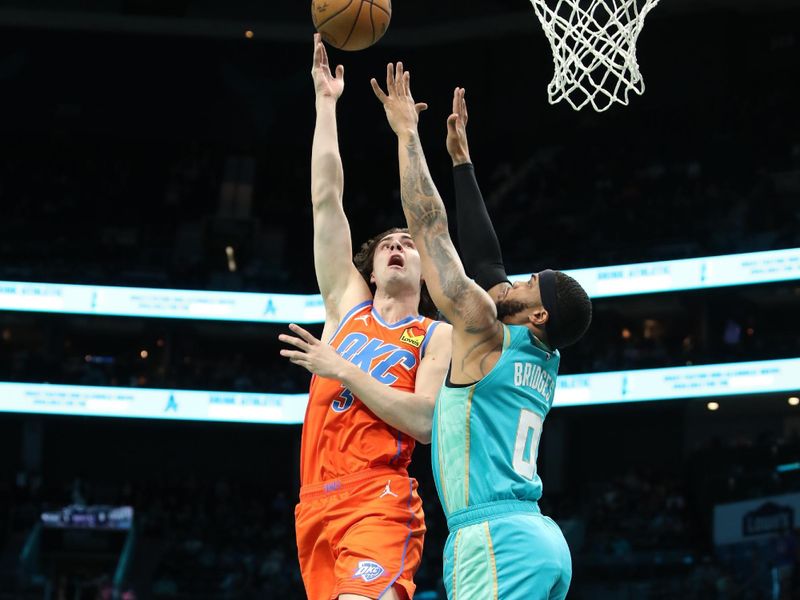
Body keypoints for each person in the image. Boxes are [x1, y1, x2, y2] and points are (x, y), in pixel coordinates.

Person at [371, 65, 592, 599]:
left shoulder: (485, 332)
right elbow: (489, 266)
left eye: (531, 282)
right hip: (538, 537)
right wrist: (462, 160)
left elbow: (431, 232)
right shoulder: (539, 352)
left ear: (536, 314)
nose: (518, 278)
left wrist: (406, 135)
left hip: (493, 537)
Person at [278, 36, 452, 600]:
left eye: (409, 242)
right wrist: (325, 104)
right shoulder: (345, 307)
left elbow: (425, 423)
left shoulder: (434, 334)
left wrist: (342, 368)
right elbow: (327, 198)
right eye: (387, 245)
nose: (398, 245)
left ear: (426, 271)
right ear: (371, 270)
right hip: (314, 501)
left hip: (380, 498)